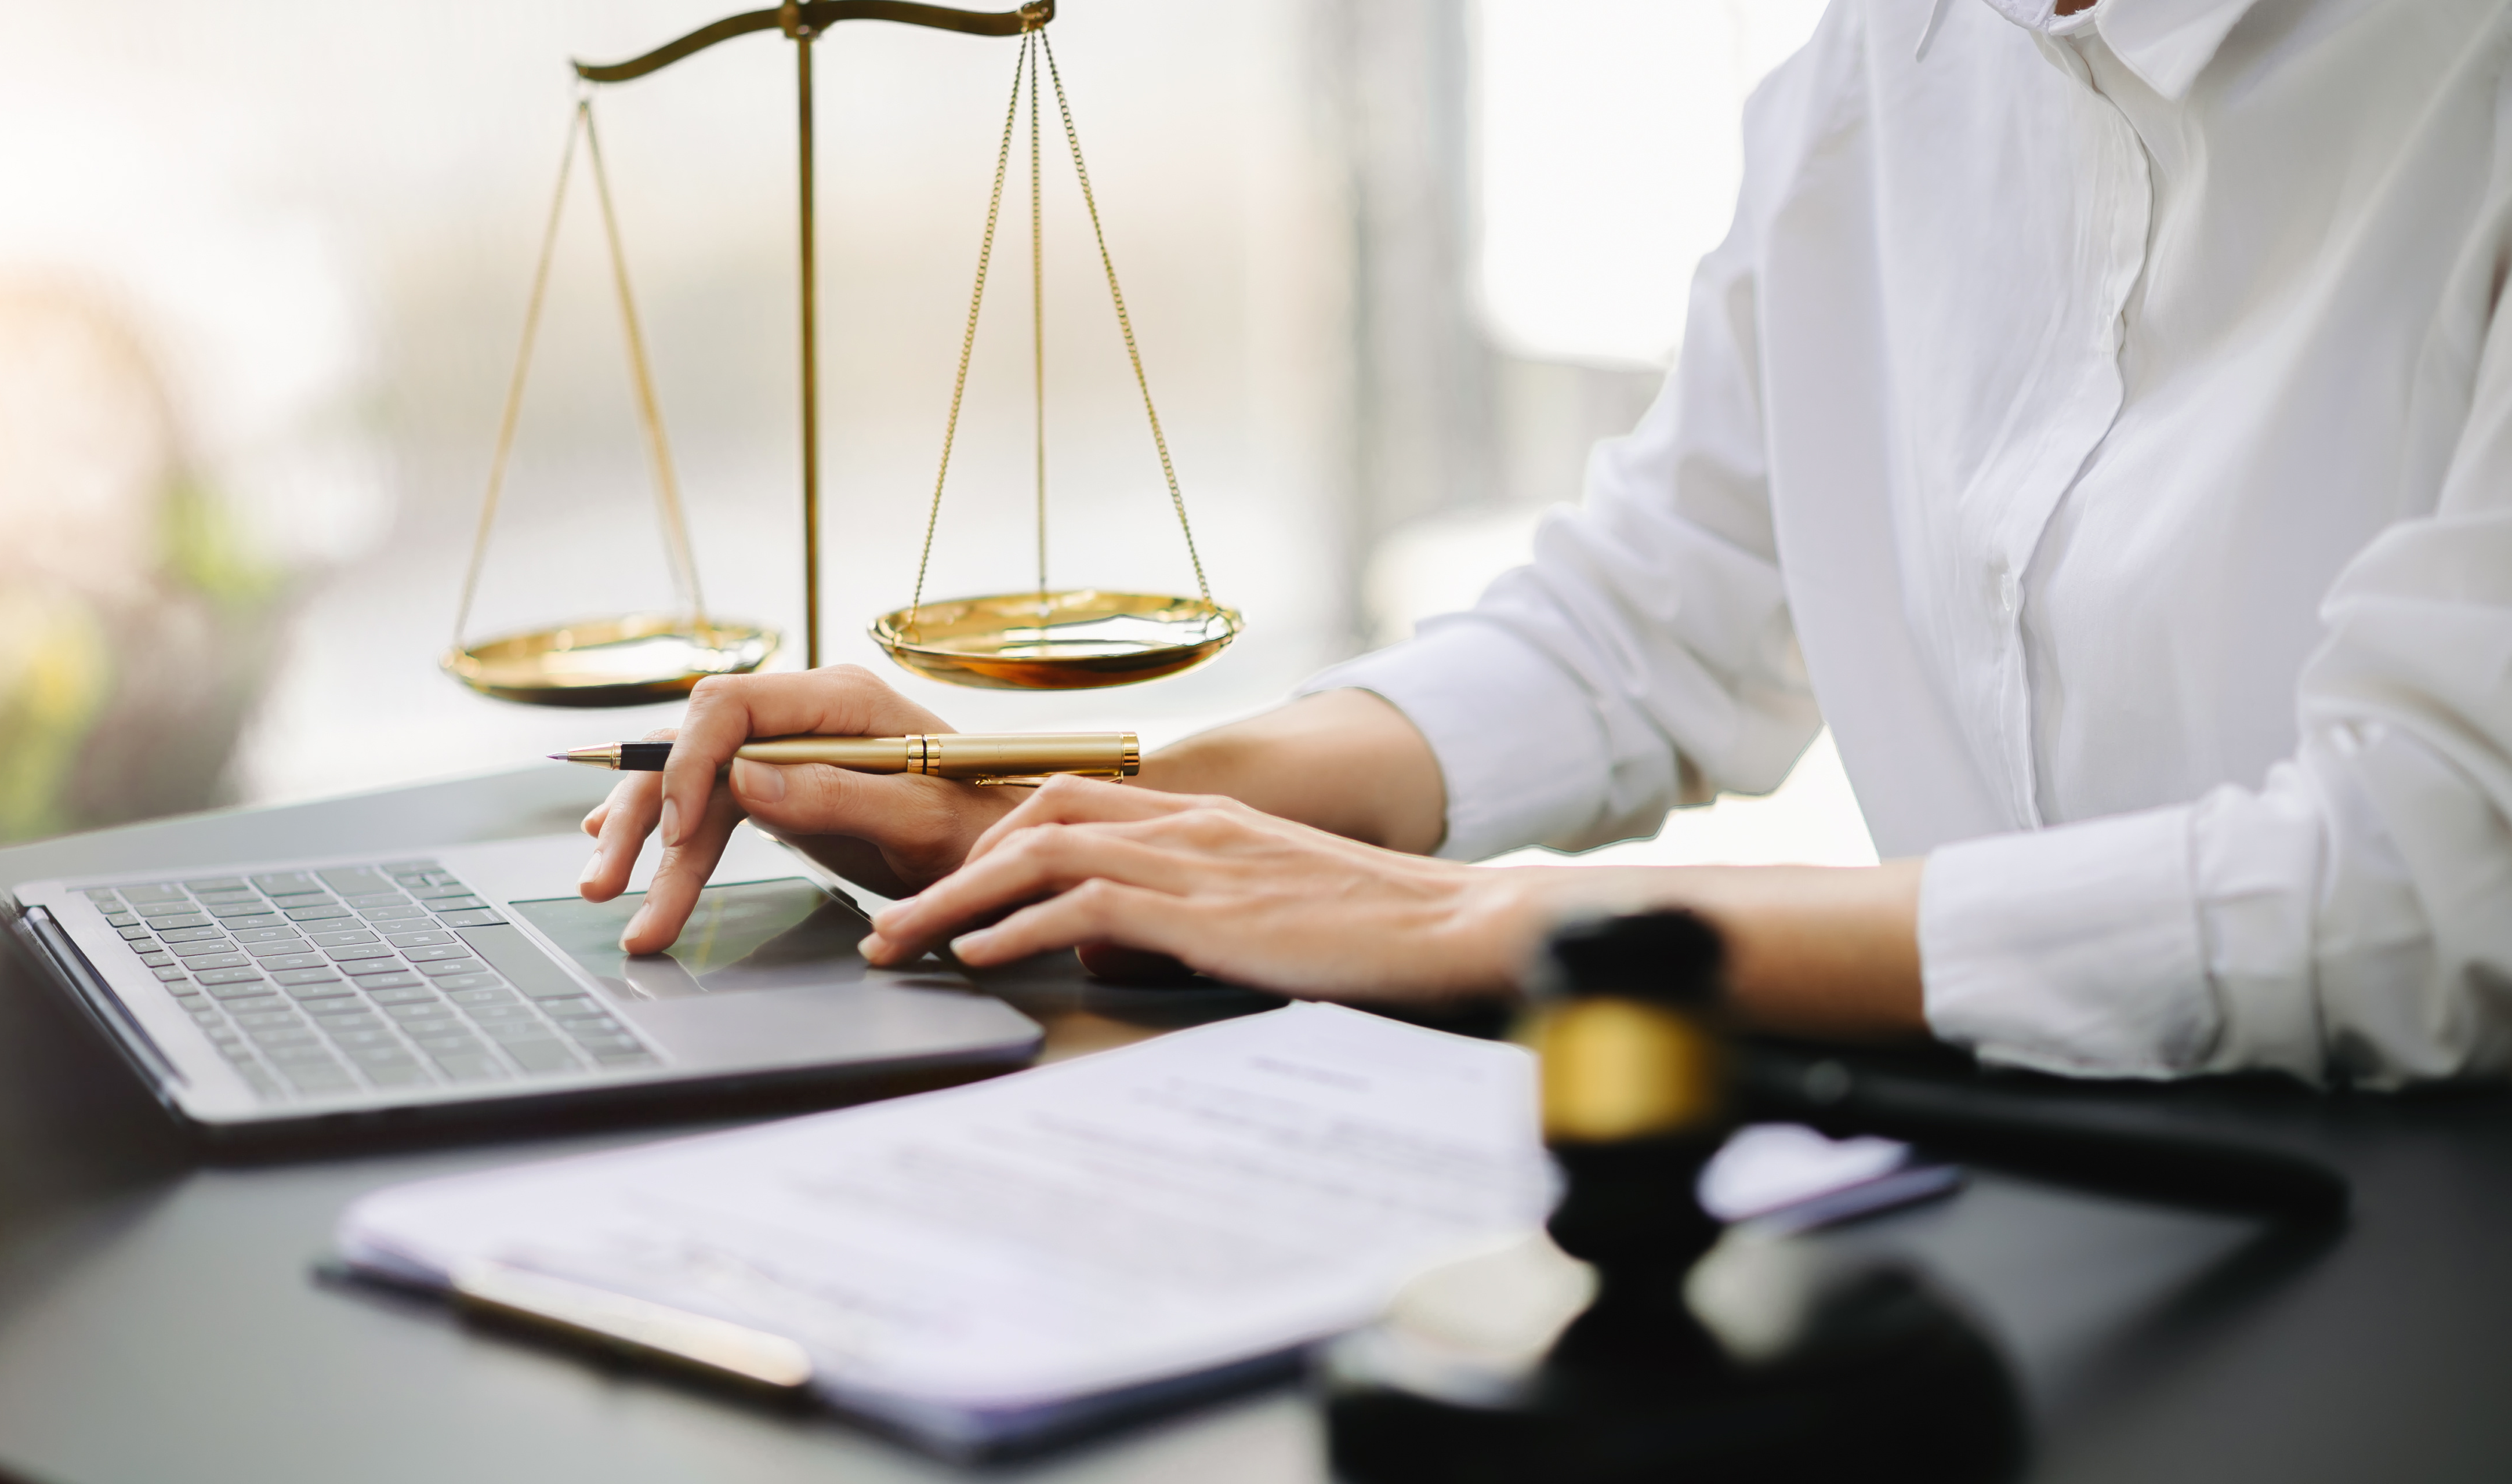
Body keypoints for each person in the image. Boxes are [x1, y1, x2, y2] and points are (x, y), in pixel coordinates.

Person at [583, 0, 2512, 1089]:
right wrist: (1073, 804)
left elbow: (2422, 884)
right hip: (2026, 1176)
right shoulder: (1890, 68)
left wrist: (1469, 927)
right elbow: (1636, 628)